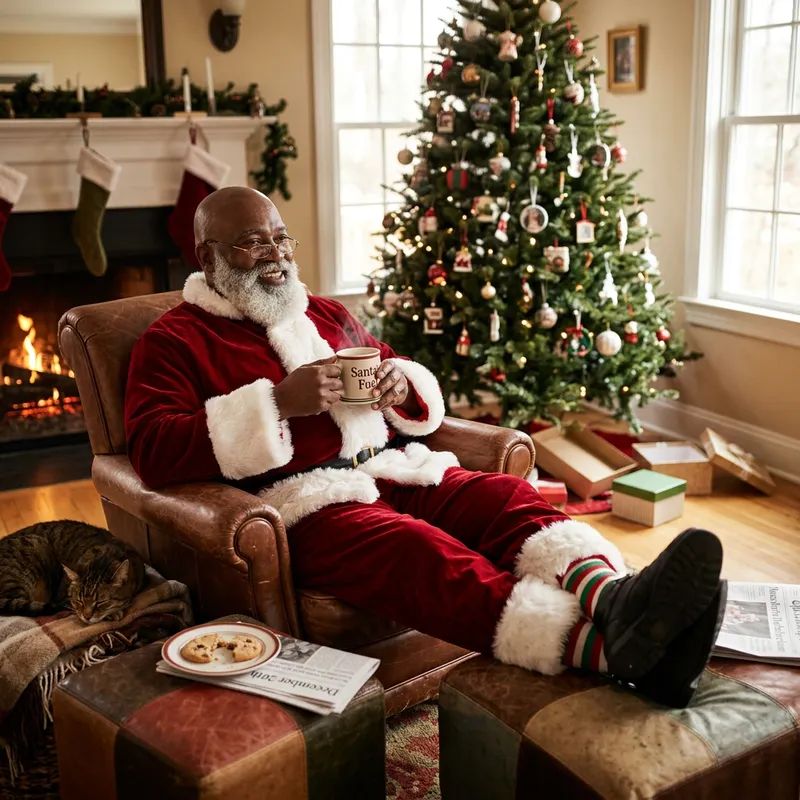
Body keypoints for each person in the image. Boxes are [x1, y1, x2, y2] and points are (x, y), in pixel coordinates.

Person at [125, 187, 726, 708]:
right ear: (206, 256)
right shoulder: (173, 340)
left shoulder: (325, 314)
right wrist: (276, 404)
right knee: (419, 553)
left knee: (505, 498)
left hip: (393, 468)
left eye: (283, 239)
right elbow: (152, 448)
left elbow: (400, 384)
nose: (277, 255)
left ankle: (616, 597)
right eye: (253, 244)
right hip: (305, 502)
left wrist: (398, 384)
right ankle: (608, 650)